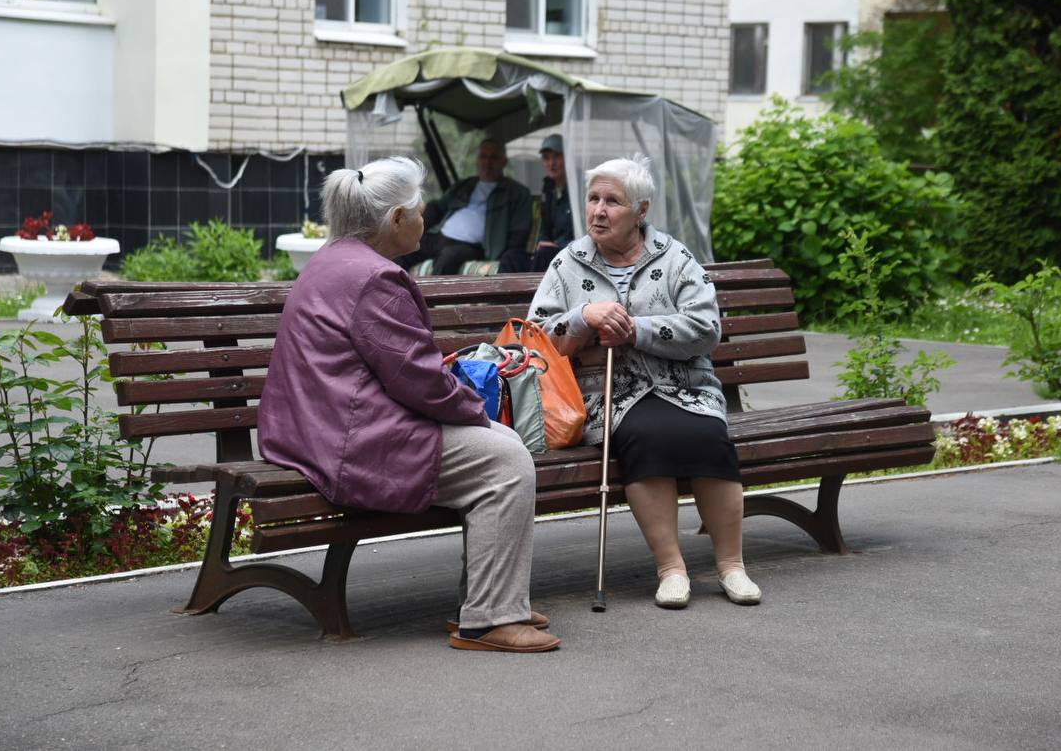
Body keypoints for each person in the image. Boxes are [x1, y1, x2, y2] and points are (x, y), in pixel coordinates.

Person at [257, 157, 560, 652]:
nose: (426, 218)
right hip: (348, 444)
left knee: (502, 444)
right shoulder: (376, 278)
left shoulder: (334, 260)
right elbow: (419, 381)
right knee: (506, 460)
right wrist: (475, 411)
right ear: (396, 218)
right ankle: (488, 621)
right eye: (420, 210)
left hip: (317, 430)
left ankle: (491, 602)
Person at [526, 154, 762, 609]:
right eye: (593, 198)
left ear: (641, 211)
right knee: (646, 435)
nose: (598, 211)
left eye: (612, 201)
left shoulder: (675, 258)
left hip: (685, 386)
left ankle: (731, 565)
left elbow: (707, 328)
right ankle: (671, 569)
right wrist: (583, 317)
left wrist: (637, 330)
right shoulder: (567, 264)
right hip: (609, 394)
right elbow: (536, 338)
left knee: (708, 434)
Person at [398, 139, 533, 275]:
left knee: (447, 258)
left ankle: (433, 290)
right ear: (477, 161)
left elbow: (519, 231)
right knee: (402, 247)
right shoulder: (464, 185)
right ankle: (392, 286)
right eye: (483, 156)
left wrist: (507, 254)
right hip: (440, 236)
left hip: (472, 246)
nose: (487, 162)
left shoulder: (517, 193)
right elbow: (438, 207)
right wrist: (410, 227)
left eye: (494, 157)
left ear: (504, 162)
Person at [502, 133, 575, 273]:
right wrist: (543, 242)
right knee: (510, 257)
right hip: (549, 253)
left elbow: (585, 235)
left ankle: (532, 288)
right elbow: (545, 228)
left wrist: (557, 245)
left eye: (556, 156)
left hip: (569, 255)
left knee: (544, 253)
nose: (551, 163)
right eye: (546, 158)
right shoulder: (548, 189)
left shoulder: (578, 190)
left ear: (567, 157)